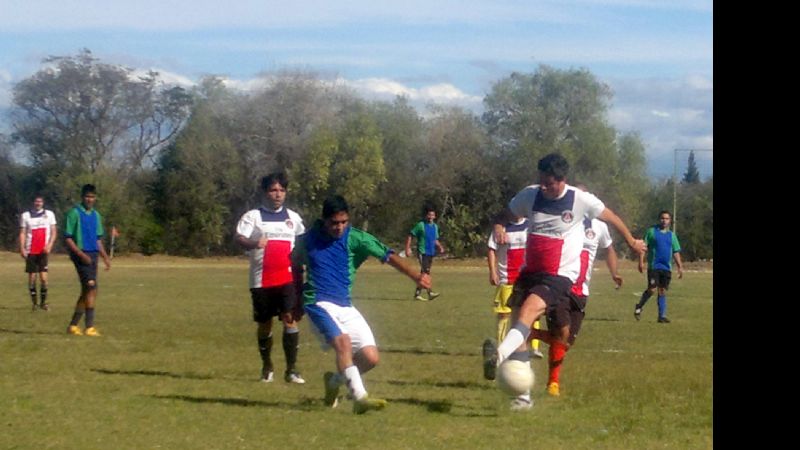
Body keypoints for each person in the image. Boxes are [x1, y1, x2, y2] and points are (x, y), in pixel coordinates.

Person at [482, 153, 645, 411]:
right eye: (541, 182)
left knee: (528, 312)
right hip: (530, 272)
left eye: (549, 183)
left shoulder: (579, 199)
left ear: (562, 180)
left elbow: (610, 216)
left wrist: (632, 240)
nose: (544, 188)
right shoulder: (530, 195)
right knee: (519, 328)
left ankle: (498, 355)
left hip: (559, 275)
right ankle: (522, 398)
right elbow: (504, 215)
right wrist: (500, 225)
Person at [295, 195, 431, 414]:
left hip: (345, 305)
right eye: (334, 223)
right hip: (317, 303)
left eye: (343, 222)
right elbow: (294, 265)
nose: (339, 227)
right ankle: (360, 398)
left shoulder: (356, 238)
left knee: (370, 358)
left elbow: (388, 255)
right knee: (343, 343)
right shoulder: (307, 239)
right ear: (324, 220)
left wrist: (416, 277)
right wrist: (294, 301)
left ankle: (333, 383)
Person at [235, 172, 307, 384]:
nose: (278, 194)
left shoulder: (293, 218)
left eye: (282, 190)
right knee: (265, 324)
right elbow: (240, 237)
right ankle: (267, 366)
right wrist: (254, 244)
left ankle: (292, 370)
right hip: (261, 281)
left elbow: (302, 244)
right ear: (265, 192)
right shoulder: (253, 216)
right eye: (273, 190)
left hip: (288, 279)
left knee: (290, 319)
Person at [487, 217, 544, 359]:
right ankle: (501, 348)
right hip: (507, 277)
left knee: (533, 313)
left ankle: (534, 348)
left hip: (527, 278)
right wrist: (493, 272)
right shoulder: (500, 228)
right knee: (504, 315)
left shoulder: (530, 225)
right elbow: (491, 250)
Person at [65, 184, 111, 336]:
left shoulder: (96, 215)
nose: (89, 199)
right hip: (81, 254)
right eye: (87, 196)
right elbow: (68, 238)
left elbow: (98, 239)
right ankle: (89, 327)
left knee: (88, 290)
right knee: (91, 286)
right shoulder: (74, 213)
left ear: (95, 198)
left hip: (93, 255)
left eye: (92, 197)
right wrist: (80, 254)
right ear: (82, 197)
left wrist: (105, 257)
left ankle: (72, 326)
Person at [634, 210, 683, 323]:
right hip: (654, 266)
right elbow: (643, 248)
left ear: (670, 221)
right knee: (652, 289)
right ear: (659, 219)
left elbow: (676, 251)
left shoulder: (672, 235)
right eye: (662, 218)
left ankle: (661, 316)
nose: (664, 220)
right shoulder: (651, 232)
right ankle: (639, 306)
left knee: (662, 291)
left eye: (666, 219)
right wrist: (641, 261)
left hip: (666, 268)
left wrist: (680, 266)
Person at [19, 195, 58, 311]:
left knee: (44, 278)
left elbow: (54, 231)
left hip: (43, 250)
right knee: (32, 278)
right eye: (36, 201)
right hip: (31, 250)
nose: (38, 203)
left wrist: (50, 244)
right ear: (33, 202)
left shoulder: (49, 214)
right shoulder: (25, 215)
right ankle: (34, 304)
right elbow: (22, 233)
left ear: (43, 202)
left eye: (40, 201)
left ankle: (43, 303)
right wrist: (22, 248)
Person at [405, 205, 445, 301]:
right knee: (425, 272)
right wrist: (407, 248)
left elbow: (435, 239)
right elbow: (410, 235)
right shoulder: (421, 225)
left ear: (435, 216)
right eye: (429, 215)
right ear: (426, 216)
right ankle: (430, 292)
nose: (431, 217)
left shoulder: (435, 227)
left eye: (433, 215)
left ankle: (417, 294)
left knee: (424, 273)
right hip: (423, 252)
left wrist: (440, 246)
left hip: (431, 252)